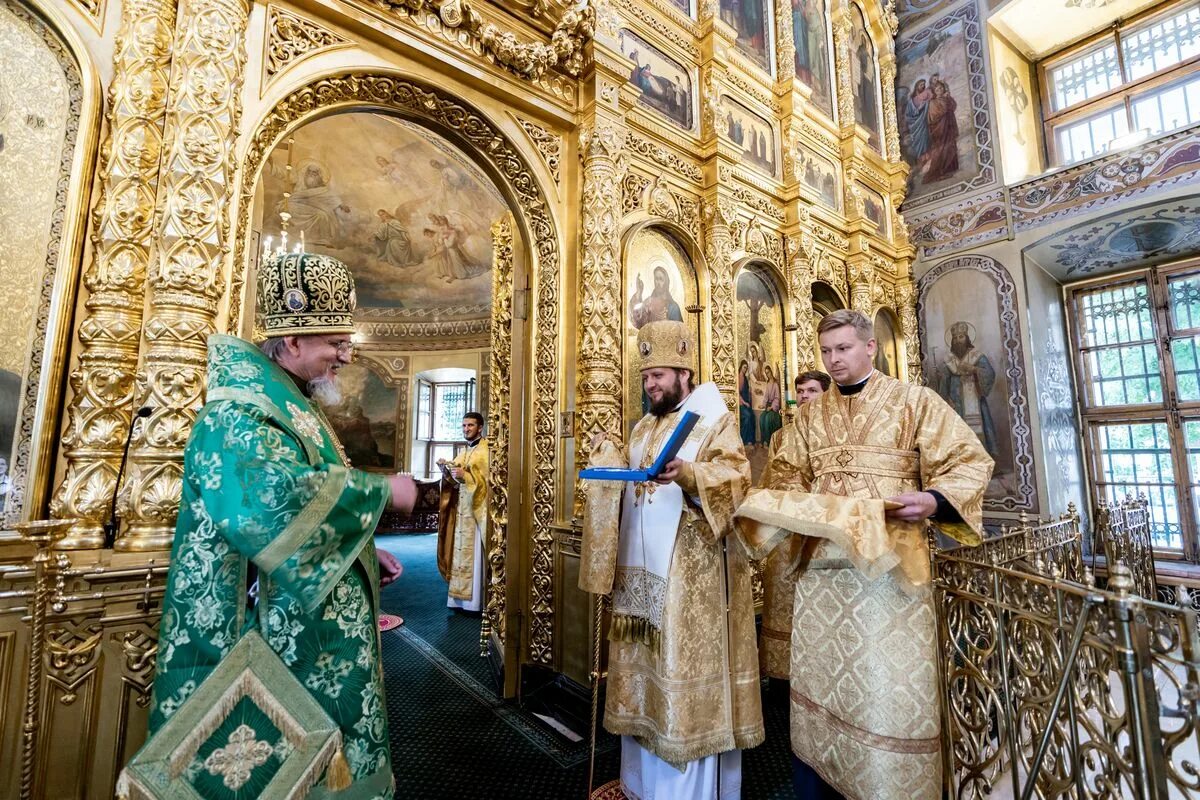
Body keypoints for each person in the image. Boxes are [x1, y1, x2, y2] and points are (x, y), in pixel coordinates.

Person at [138, 252, 418, 797]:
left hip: (303, 625)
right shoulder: (239, 411)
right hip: (262, 637)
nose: (346, 354)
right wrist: (383, 491)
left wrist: (361, 548)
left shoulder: (287, 402)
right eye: (335, 342)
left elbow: (314, 488)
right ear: (291, 341)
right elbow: (271, 502)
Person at [736, 310, 991, 800]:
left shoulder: (915, 402)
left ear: (870, 348)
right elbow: (787, 475)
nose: (834, 361)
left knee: (887, 696)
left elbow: (969, 461)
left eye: (844, 349)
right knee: (827, 694)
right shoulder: (808, 416)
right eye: (827, 352)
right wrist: (794, 504)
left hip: (891, 580)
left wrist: (934, 500)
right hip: (823, 580)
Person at [580, 320, 764, 800]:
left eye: (659, 375)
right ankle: (642, 787)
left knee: (679, 686)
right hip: (640, 586)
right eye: (646, 377)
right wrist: (608, 457)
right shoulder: (643, 426)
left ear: (684, 371)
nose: (651, 385)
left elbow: (737, 480)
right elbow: (628, 484)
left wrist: (688, 474)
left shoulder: (714, 422)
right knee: (643, 683)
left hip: (690, 585)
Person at [757, 370, 831, 686]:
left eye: (811, 391)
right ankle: (783, 676)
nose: (803, 397)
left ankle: (820, 673)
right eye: (800, 391)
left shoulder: (834, 431)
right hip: (786, 532)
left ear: (827, 395)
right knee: (783, 600)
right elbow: (771, 479)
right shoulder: (780, 436)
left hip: (822, 532)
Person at [437, 411, 489, 612]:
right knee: (459, 552)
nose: (466, 429)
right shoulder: (464, 451)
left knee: (473, 555)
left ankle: (474, 602)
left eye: (470, 425)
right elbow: (454, 480)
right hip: (462, 511)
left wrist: (466, 475)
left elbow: (489, 482)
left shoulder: (486, 451)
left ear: (480, 428)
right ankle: (457, 600)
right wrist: (446, 470)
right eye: (464, 425)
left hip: (476, 512)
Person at [938, 321, 999, 459]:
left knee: (981, 429)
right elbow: (944, 383)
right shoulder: (948, 360)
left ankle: (983, 461)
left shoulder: (977, 356)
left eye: (961, 336)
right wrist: (946, 399)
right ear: (952, 340)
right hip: (956, 404)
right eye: (956, 337)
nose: (958, 340)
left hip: (976, 401)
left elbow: (989, 373)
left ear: (967, 338)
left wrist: (975, 369)